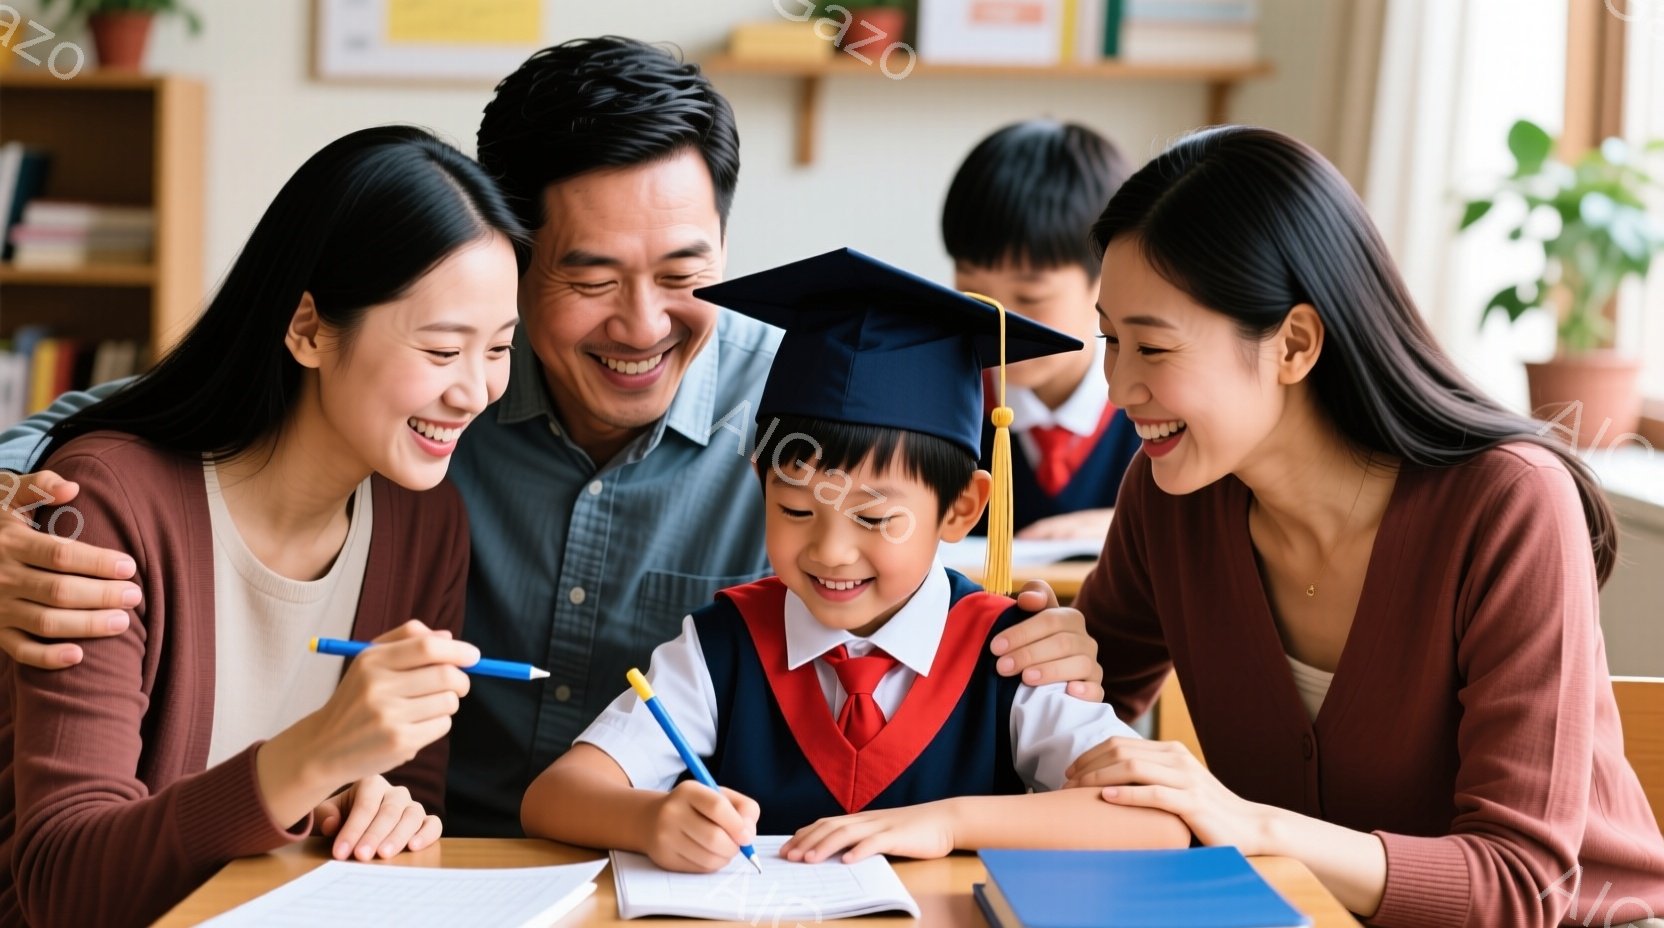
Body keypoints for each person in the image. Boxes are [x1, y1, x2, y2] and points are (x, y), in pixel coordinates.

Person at [0, 37, 1109, 838]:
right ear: (509, 255)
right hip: (430, 864)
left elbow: (908, 568)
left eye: (683, 274)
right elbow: (161, 415)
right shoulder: (434, 392)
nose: (643, 325)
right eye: (589, 278)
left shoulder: (808, 415)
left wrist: (1029, 643)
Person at [1051, 126, 1664, 927]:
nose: (1117, 385)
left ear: (1294, 345)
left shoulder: (1509, 505)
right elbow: (1073, 715)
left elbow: (1521, 886)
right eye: (1110, 340)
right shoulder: (1171, 497)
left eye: (1154, 348)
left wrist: (1251, 826)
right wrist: (1037, 665)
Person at [0, 126, 523, 927]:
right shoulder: (108, 506)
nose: (476, 391)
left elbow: (404, 796)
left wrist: (383, 812)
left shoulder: (425, 520)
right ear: (308, 328)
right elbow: (62, 887)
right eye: (443, 349)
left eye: (500, 348)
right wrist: (313, 756)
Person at [521, 249, 1190, 871]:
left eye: (873, 518)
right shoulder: (722, 647)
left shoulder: (1012, 655)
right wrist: (651, 820)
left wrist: (951, 822)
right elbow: (554, 796)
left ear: (961, 508)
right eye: (795, 510)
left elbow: (1155, 821)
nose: (831, 551)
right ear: (760, 483)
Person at [943, 120, 1140, 541]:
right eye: (972, 293)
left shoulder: (1156, 407)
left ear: (1106, 279)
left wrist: (1140, 526)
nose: (999, 321)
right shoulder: (942, 401)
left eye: (1031, 297)